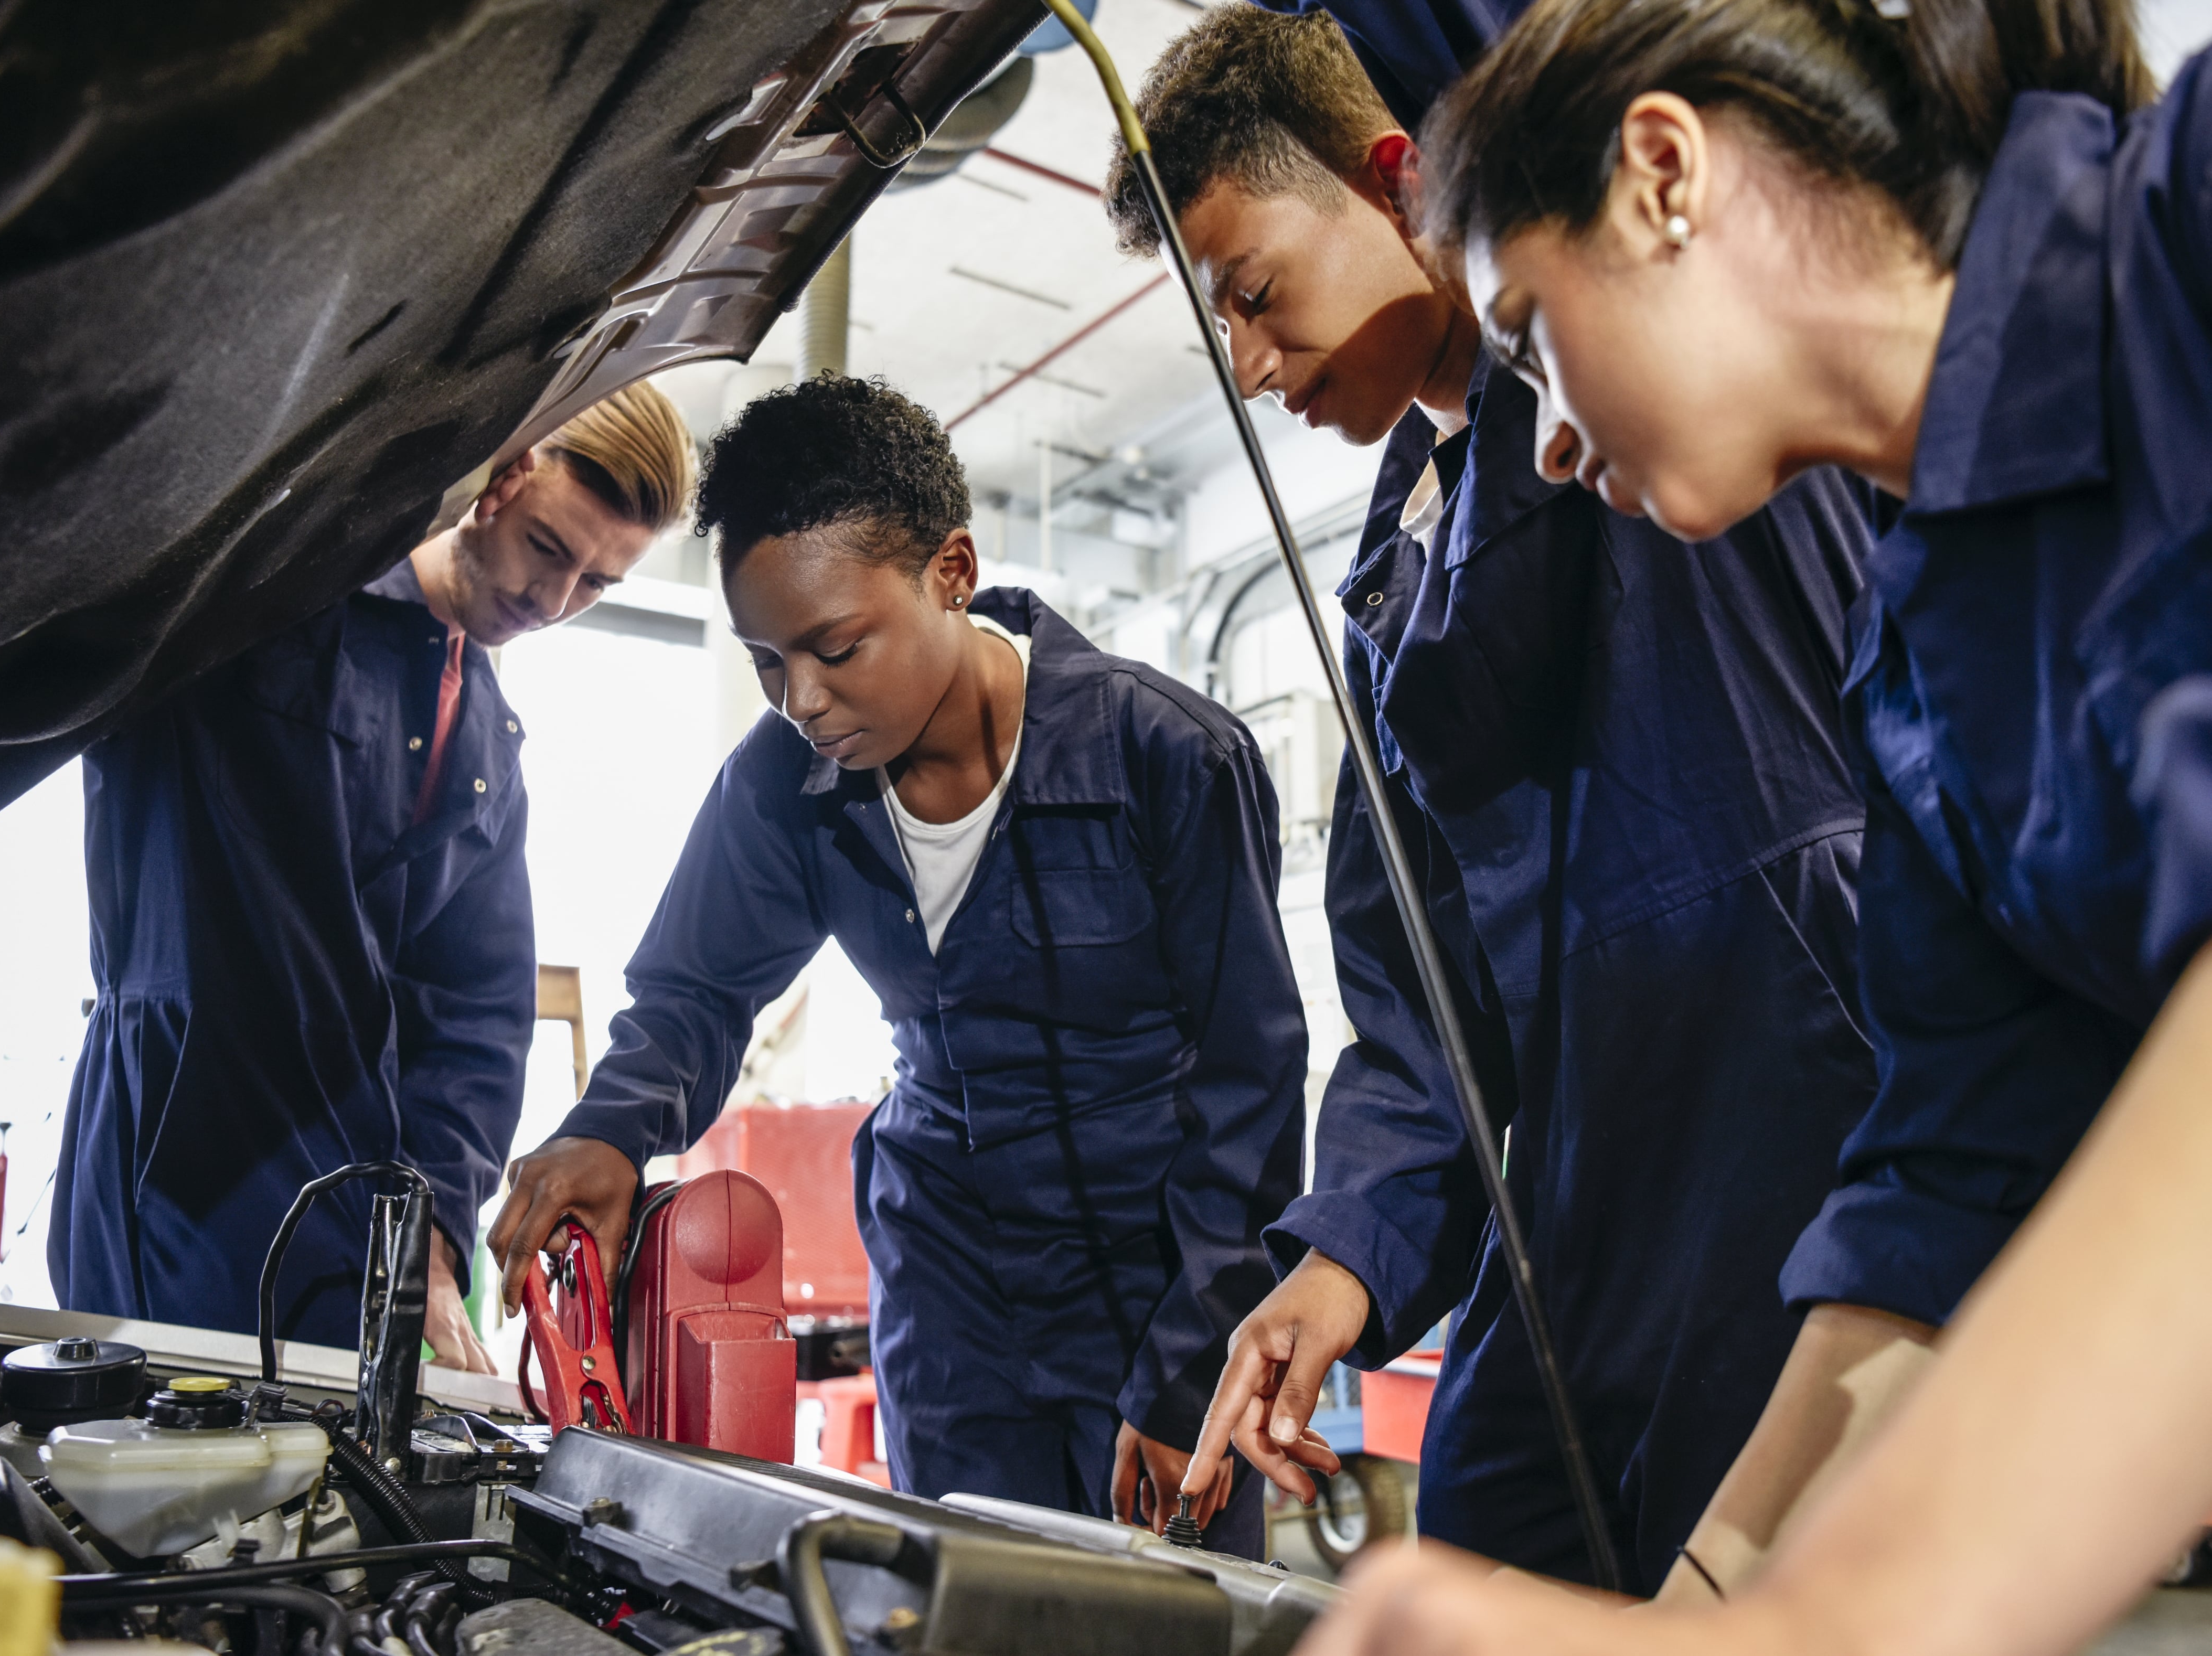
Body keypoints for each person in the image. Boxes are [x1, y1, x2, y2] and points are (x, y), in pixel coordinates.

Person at [1279, 0, 2212, 1644]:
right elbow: (1940, 1197)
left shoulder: (2187, 225)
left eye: (1528, 339)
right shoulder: (1925, 671)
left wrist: (1812, 1628)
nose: (1550, 445)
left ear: (1659, 174)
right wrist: (1699, 1602)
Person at [1103, 6, 1882, 1592]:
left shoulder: (1651, 382)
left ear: (1403, 183)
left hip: (1806, 1120)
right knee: (1469, 1561)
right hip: (1574, 1208)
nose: (1248, 368)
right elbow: (1421, 1009)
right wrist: (1345, 1252)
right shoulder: (1387, 591)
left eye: (1251, 294)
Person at [487, 375, 1306, 1550]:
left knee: (1170, 1621)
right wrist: (613, 1126)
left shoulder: (1167, 760)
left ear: (951, 574)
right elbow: (696, 990)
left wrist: (1193, 1370)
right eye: (767, 661)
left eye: (835, 648)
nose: (801, 700)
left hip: (1157, 1289)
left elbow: (1249, 1089)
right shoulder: (779, 786)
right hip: (952, 1294)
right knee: (956, 1605)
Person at [51, 382, 694, 1371]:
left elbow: (475, 1022)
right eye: (550, 549)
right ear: (501, 478)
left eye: (599, 582)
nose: (555, 602)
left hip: (348, 1214)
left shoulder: (488, 750)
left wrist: (428, 1239)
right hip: (176, 1148)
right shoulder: (277, 598)